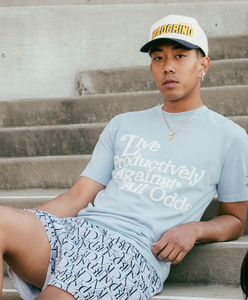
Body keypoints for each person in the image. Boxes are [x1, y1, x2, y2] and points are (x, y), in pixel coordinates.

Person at [1, 14, 248, 300]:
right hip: (79, 232)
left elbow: (235, 219)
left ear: (203, 64)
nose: (168, 67)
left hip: (133, 252)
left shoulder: (230, 137)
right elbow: (79, 196)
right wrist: (24, 221)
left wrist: (195, 229)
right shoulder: (123, 123)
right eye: (158, 58)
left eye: (180, 56)